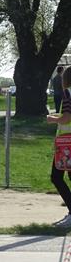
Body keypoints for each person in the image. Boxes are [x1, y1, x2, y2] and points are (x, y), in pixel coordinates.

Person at [46, 66, 71, 228]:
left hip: (67, 142)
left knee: (56, 177)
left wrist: (53, 119)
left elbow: (67, 118)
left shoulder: (68, 93)